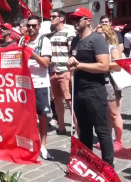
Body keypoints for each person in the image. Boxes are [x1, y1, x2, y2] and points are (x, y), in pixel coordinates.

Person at [67, 7, 114, 166]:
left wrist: (79, 65)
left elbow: (104, 66)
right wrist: (71, 63)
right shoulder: (75, 40)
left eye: (78, 19)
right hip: (79, 90)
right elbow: (73, 61)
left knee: (101, 130)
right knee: (84, 130)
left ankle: (108, 166)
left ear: (88, 20)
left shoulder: (97, 39)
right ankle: (87, 163)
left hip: (94, 90)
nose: (74, 22)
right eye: (73, 19)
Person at [18, 16, 53, 160]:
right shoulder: (21, 40)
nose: (31, 28)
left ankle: (43, 146)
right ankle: (30, 143)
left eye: (34, 26)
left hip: (40, 85)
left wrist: (30, 52)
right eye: (29, 25)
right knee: (26, 116)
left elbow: (46, 63)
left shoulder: (43, 41)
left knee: (42, 116)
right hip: (24, 84)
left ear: (39, 27)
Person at [47, 10, 76, 135]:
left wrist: (71, 72)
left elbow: (72, 53)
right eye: (50, 17)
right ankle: (61, 127)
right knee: (57, 101)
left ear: (62, 18)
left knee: (69, 101)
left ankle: (77, 128)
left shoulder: (69, 33)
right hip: (53, 72)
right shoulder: (51, 35)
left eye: (53, 17)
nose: (51, 18)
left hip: (65, 71)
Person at [96, 25, 124, 152]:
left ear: (107, 34)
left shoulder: (112, 47)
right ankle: (107, 139)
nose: (98, 35)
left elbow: (119, 65)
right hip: (100, 82)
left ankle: (118, 140)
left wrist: (102, 65)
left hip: (111, 83)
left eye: (100, 33)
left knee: (114, 113)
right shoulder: (97, 47)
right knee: (105, 113)